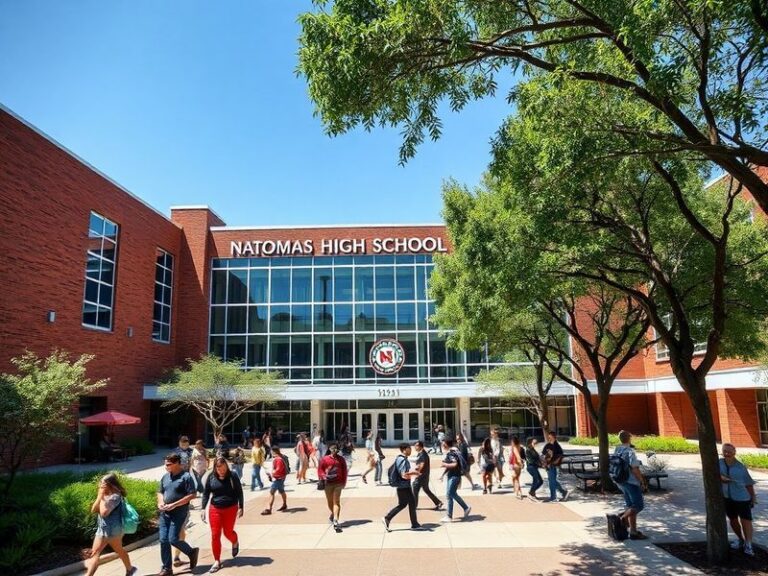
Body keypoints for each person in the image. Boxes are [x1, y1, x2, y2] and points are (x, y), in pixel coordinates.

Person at [84, 473, 137, 576]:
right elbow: (93, 509)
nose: (100, 486)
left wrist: (101, 496)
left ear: (110, 484)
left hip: (114, 530)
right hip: (102, 529)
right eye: (100, 484)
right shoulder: (106, 495)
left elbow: (104, 513)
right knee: (96, 553)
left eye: (103, 484)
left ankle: (130, 569)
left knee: (116, 550)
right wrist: (100, 496)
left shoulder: (115, 496)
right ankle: (130, 569)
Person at [157, 453, 199, 576]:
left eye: (168, 464)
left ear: (176, 463)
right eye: (165, 464)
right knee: (163, 540)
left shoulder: (186, 477)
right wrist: (160, 503)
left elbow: (192, 494)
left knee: (173, 539)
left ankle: (191, 552)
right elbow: (160, 492)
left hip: (178, 513)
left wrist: (175, 504)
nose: (166, 467)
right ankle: (167, 569)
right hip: (165, 513)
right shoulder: (165, 477)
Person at [201, 457, 244, 573]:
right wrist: (203, 508)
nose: (221, 470)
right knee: (215, 535)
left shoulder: (233, 476)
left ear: (226, 466)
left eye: (223, 467)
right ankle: (217, 561)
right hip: (215, 509)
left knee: (228, 532)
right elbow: (206, 494)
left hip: (231, 508)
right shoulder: (211, 477)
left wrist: (241, 507)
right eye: (218, 468)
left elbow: (239, 492)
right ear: (215, 467)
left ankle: (235, 541)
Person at [719, 443, 757, 555]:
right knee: (733, 520)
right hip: (727, 497)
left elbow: (749, 483)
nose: (727, 453)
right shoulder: (719, 463)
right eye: (725, 451)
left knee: (746, 520)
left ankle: (749, 544)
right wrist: (721, 478)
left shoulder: (740, 467)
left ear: (734, 452)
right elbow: (713, 473)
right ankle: (741, 539)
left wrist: (753, 497)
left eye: (729, 452)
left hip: (742, 497)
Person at [613, 430, 647, 540]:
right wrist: (641, 481)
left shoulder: (617, 450)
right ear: (629, 438)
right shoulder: (630, 451)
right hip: (631, 482)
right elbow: (635, 468)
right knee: (638, 505)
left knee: (630, 505)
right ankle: (623, 517)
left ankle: (633, 531)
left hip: (620, 481)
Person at [382, 442, 423, 531]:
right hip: (403, 485)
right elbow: (404, 475)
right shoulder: (402, 460)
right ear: (404, 450)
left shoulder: (402, 459)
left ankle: (387, 518)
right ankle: (414, 524)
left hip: (403, 486)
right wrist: (415, 473)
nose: (411, 450)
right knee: (411, 503)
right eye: (409, 448)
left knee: (403, 504)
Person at [318, 440, 348, 532]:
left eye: (335, 448)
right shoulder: (325, 459)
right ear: (329, 449)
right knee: (330, 502)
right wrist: (323, 476)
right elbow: (320, 470)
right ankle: (333, 513)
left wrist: (344, 482)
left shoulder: (341, 459)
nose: (334, 449)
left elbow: (344, 471)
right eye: (332, 448)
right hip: (328, 483)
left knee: (336, 502)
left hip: (338, 483)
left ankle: (336, 520)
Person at [439, 438, 471, 523]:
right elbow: (450, 466)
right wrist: (443, 474)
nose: (442, 445)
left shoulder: (451, 453)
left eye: (443, 443)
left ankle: (452, 515)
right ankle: (463, 509)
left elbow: (454, 464)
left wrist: (444, 464)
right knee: (450, 495)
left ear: (446, 444)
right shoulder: (453, 451)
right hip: (452, 476)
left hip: (454, 476)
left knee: (450, 494)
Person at [411, 440, 443, 510]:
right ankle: (438, 502)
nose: (414, 447)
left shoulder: (422, 454)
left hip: (421, 476)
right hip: (424, 475)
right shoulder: (421, 453)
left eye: (416, 446)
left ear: (420, 446)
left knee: (415, 488)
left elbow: (422, 465)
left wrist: (416, 472)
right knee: (426, 490)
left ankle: (414, 506)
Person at [542, 432, 569, 502]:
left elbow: (560, 456)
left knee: (552, 481)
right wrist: (545, 463)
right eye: (548, 437)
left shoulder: (557, 446)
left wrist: (555, 462)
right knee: (552, 481)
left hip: (554, 466)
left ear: (554, 437)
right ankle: (563, 492)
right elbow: (543, 455)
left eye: (550, 437)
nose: (549, 438)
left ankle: (553, 497)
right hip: (548, 466)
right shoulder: (547, 445)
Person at [261, 446, 288, 515]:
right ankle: (284, 504)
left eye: (271, 451)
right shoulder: (281, 457)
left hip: (277, 479)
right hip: (281, 478)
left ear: (273, 451)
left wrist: (272, 473)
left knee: (271, 493)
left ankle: (268, 509)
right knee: (282, 491)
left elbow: (278, 469)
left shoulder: (278, 459)